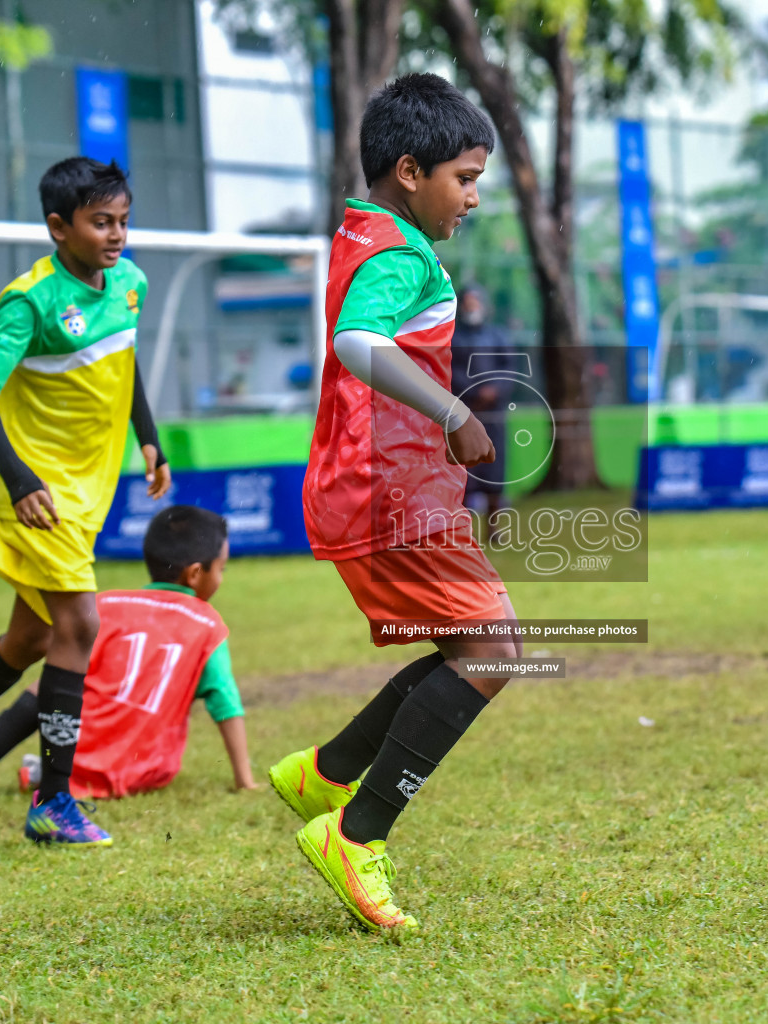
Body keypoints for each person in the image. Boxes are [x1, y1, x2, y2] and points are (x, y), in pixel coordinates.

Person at [265, 73, 516, 934]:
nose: (474, 198)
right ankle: (355, 831)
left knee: (468, 643)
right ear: (409, 170)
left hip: (374, 488)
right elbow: (356, 342)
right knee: (493, 650)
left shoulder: (364, 226)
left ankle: (327, 772)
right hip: (387, 496)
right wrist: (451, 411)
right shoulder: (400, 253)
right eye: (465, 178)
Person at [0, 156, 170, 847]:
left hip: (89, 491)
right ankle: (53, 802)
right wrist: (20, 479)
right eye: (100, 222)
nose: (116, 234)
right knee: (80, 624)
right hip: (40, 493)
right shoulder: (31, 301)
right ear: (58, 226)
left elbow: (124, 361)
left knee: (33, 639)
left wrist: (149, 439)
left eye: (123, 220)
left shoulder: (130, 283)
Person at [0, 505, 256, 801]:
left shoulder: (105, 605)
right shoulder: (208, 625)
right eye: (221, 569)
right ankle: (41, 769)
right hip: (145, 773)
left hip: (67, 763)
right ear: (195, 574)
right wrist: (244, 780)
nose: (222, 577)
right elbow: (224, 701)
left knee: (50, 685)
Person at [450, 284, 515, 526]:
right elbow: (448, 368)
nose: (471, 306)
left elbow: (509, 368)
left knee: (495, 468)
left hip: (494, 415)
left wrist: (494, 390)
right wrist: (474, 392)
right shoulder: (453, 336)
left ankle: (494, 526)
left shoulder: (497, 336)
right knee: (464, 469)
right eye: (467, 301)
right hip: (464, 411)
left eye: (475, 301)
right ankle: (463, 527)